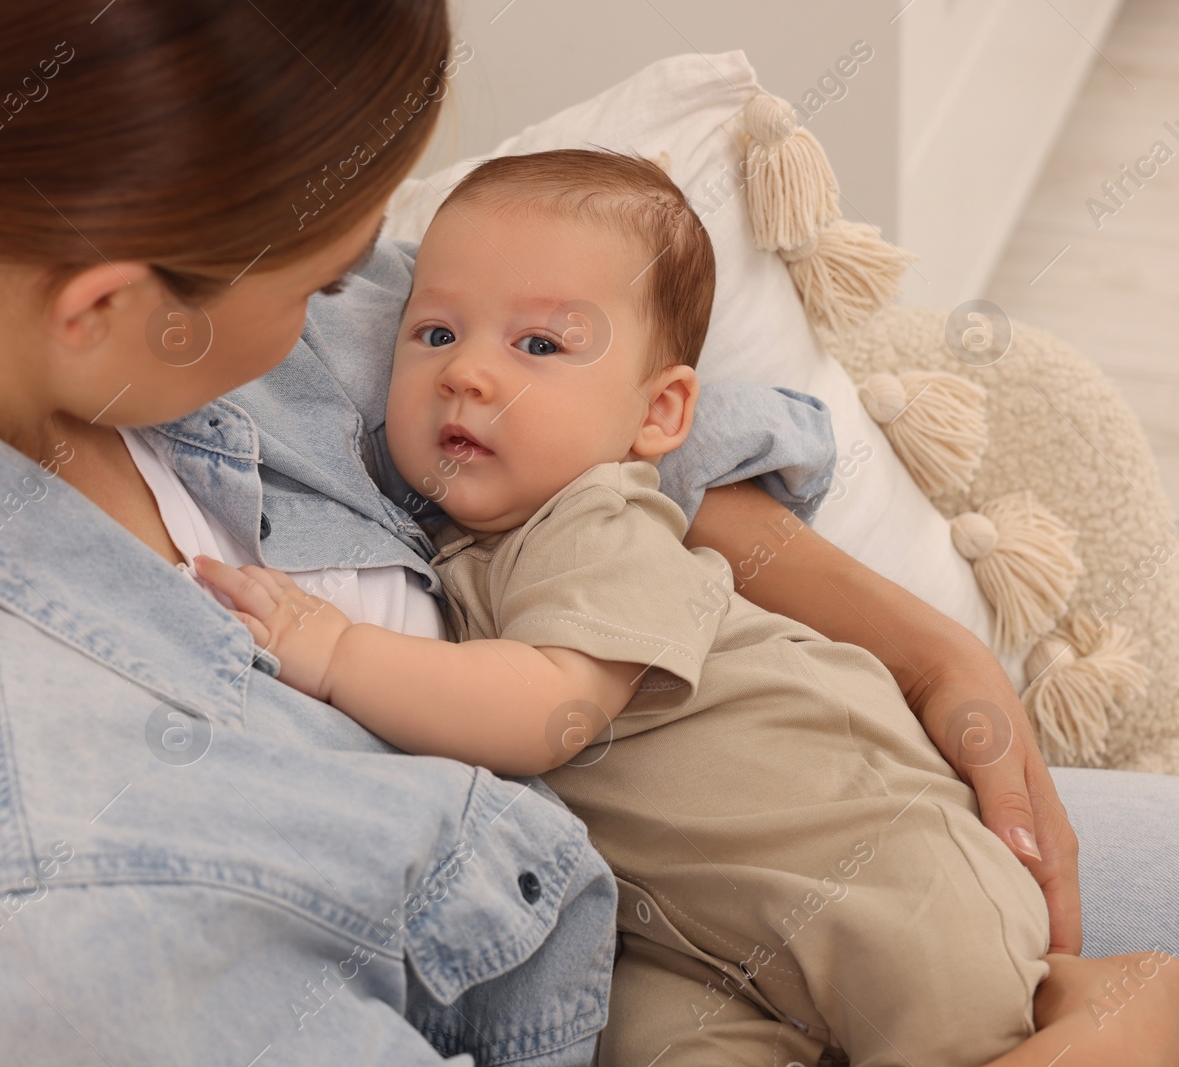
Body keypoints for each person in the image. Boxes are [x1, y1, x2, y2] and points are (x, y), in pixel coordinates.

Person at [0, 2, 1179, 1064]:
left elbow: (611, 426)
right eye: (334, 276)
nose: (370, 317)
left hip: (773, 843)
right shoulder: (42, 911)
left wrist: (926, 641)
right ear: (113, 312)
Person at [194, 147, 1057, 1065]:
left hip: (880, 871)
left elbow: (543, 710)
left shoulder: (601, 519)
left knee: (955, 1025)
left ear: (657, 416)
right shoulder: (453, 552)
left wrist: (333, 652)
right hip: (683, 941)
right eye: (436, 335)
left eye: (538, 346)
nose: (466, 374)